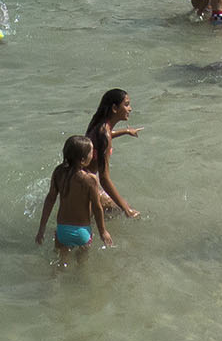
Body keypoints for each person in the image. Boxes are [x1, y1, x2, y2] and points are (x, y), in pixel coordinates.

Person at [35, 136, 112, 264]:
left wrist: (41, 228)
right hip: (83, 232)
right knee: (81, 263)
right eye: (91, 152)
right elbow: (97, 208)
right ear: (83, 159)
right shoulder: (90, 179)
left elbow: (50, 200)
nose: (93, 155)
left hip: (62, 231)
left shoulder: (58, 172)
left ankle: (55, 281)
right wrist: (103, 231)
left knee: (60, 263)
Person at [85, 89, 142, 217]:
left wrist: (126, 131)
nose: (130, 108)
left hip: (78, 178)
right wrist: (126, 209)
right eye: (126, 104)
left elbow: (106, 135)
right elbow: (104, 179)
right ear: (115, 108)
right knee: (121, 211)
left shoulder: (99, 125)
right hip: (85, 185)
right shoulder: (104, 135)